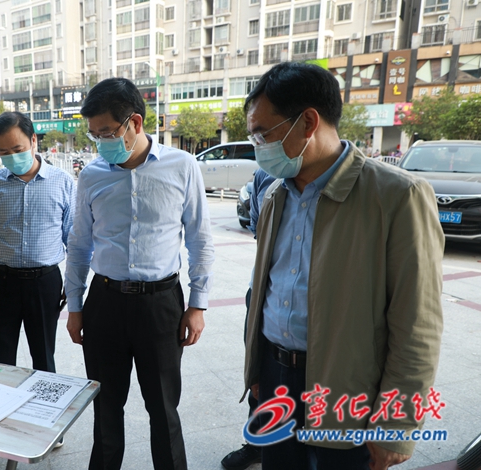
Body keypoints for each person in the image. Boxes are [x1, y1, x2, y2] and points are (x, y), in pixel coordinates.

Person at [241, 62, 444, 470]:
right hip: (276, 378)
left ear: (308, 122)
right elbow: (265, 291)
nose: (258, 146)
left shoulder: (396, 196)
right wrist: (258, 370)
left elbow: (417, 324)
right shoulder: (275, 196)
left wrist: (396, 423)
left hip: (348, 390)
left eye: (263, 134)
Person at [65, 77, 215, 470]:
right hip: (105, 303)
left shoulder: (182, 166)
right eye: (94, 135)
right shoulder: (92, 175)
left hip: (160, 305)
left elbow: (200, 239)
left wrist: (197, 305)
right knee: (106, 407)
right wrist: (75, 307)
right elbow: (79, 245)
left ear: (134, 122)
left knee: (163, 408)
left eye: (106, 133)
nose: (100, 142)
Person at [0, 111, 74, 372]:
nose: (12, 157)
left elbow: (73, 237)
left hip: (45, 283)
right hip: (2, 282)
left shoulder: (62, 182)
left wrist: (73, 283)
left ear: (33, 140)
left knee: (44, 358)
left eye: (17, 149)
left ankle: (44, 399)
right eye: (4, 152)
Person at [221, 168, 275, 470]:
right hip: (262, 291)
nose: (262, 147)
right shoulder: (265, 175)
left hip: (317, 301)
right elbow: (258, 230)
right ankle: (258, 444)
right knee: (259, 371)